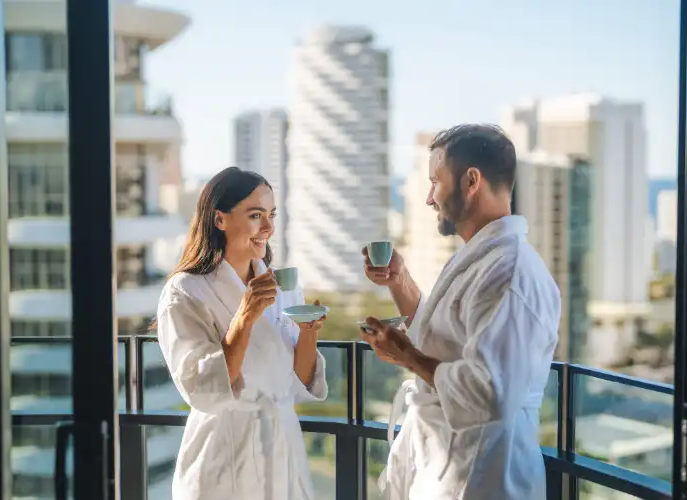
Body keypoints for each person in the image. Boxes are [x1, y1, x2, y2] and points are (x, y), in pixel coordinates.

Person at [360, 124, 560, 500]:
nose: (428, 199)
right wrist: (399, 281)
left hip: (480, 477)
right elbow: (443, 340)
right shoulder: (480, 259)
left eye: (436, 181)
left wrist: (407, 357)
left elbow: (490, 393)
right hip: (443, 464)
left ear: (471, 181)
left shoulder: (509, 273)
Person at [156, 167, 328, 500]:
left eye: (271, 215)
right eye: (255, 215)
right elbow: (202, 387)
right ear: (220, 220)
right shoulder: (185, 292)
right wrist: (244, 317)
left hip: (282, 451)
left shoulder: (283, 285)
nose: (268, 228)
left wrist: (309, 333)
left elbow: (299, 381)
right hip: (223, 453)